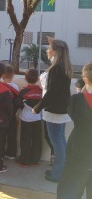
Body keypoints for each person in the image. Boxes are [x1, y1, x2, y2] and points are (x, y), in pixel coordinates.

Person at [33, 39, 73, 182]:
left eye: (48, 48)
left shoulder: (57, 68)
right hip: (60, 110)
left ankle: (58, 173)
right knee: (60, 141)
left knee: (57, 142)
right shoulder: (64, 67)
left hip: (54, 111)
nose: (46, 50)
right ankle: (61, 171)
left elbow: (51, 92)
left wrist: (37, 108)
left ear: (55, 51)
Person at [57, 62, 92, 199]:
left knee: (71, 185)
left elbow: (72, 114)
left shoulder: (77, 99)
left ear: (85, 79)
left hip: (79, 148)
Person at [15, 69, 42, 167]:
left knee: (25, 140)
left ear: (25, 79)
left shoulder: (24, 91)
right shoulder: (41, 91)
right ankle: (35, 161)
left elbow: (17, 103)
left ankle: (24, 161)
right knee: (37, 139)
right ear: (37, 78)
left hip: (26, 119)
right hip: (38, 119)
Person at [2, 64, 20, 160]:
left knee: (1, 135)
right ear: (12, 75)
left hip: (1, 115)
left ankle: (0, 152)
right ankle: (12, 153)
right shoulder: (15, 87)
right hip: (12, 115)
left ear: (2, 75)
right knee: (12, 135)